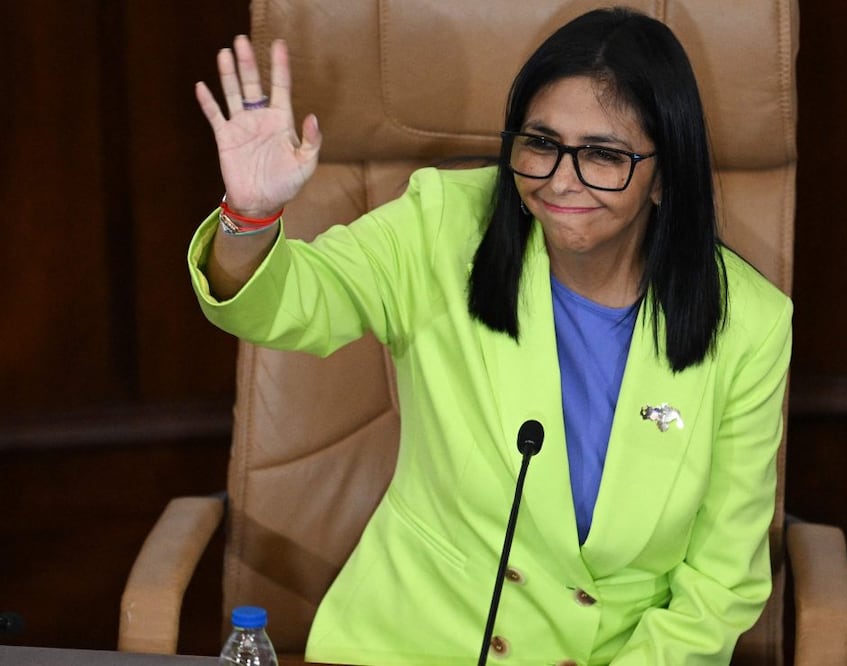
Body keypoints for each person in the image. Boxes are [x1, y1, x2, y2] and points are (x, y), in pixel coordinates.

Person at [189, 7, 792, 665]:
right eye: (540, 144)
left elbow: (720, 584)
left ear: (663, 176)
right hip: (408, 647)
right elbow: (280, 307)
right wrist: (249, 213)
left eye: (603, 155)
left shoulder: (750, 327)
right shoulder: (443, 226)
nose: (562, 180)